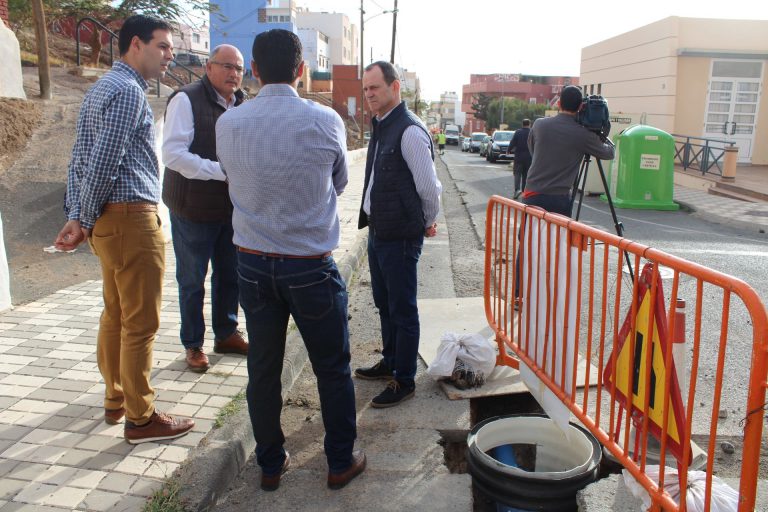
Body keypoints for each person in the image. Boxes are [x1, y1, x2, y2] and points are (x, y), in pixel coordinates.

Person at [215, 29, 364, 492]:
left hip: (253, 264)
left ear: (254, 70)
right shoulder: (325, 120)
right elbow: (338, 181)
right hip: (309, 264)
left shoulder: (230, 123)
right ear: (301, 70)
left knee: (262, 367)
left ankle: (270, 464)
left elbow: (229, 177)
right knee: (332, 367)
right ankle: (339, 462)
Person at [54, 14, 194, 444]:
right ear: (136, 44)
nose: (171, 55)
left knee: (116, 313)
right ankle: (141, 416)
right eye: (163, 46)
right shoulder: (129, 92)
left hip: (110, 222)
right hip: (130, 219)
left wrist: (79, 214)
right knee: (141, 323)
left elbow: (80, 159)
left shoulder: (99, 89)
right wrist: (84, 217)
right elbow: (100, 162)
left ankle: (116, 398)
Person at [355, 61, 443, 408]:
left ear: (395, 88)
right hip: (379, 230)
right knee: (384, 303)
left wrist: (427, 220)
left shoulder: (408, 130)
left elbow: (429, 187)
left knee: (402, 309)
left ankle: (404, 379)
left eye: (375, 87)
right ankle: (390, 361)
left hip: (401, 235)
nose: (369, 94)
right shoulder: (382, 126)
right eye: (365, 89)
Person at [162, 44, 248, 373]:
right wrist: (219, 171)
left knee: (230, 275)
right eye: (226, 66)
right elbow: (173, 153)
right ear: (209, 67)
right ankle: (193, 344)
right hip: (192, 209)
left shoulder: (242, 103)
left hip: (230, 210)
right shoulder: (186, 99)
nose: (233, 74)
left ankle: (226, 333)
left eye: (238, 68)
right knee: (192, 279)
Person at [522, 85, 615, 216]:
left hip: (532, 194)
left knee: (529, 235)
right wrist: (602, 134)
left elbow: (533, 150)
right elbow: (610, 153)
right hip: (559, 199)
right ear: (580, 107)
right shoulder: (583, 135)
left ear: (558, 104)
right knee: (558, 236)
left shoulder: (539, 125)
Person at [507, 118, 532, 199]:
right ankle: (524, 191)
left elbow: (513, 142)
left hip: (518, 157)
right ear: (529, 124)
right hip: (529, 158)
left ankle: (517, 190)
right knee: (526, 175)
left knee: (517, 174)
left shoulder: (518, 132)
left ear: (522, 124)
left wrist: (508, 150)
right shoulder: (532, 132)